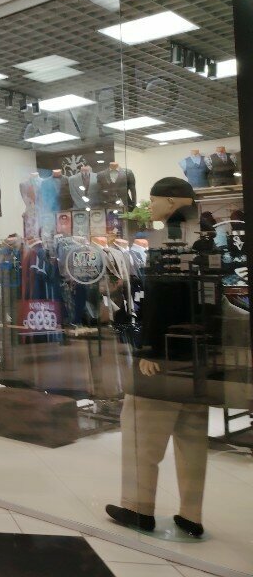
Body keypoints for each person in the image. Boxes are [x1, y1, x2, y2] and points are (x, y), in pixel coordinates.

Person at [106, 177, 211, 538]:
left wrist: (147, 348)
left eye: (153, 201)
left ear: (170, 201)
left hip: (164, 354)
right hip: (197, 356)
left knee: (141, 433)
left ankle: (138, 509)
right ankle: (191, 515)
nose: (149, 208)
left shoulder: (170, 237)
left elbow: (161, 296)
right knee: (192, 439)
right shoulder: (208, 235)